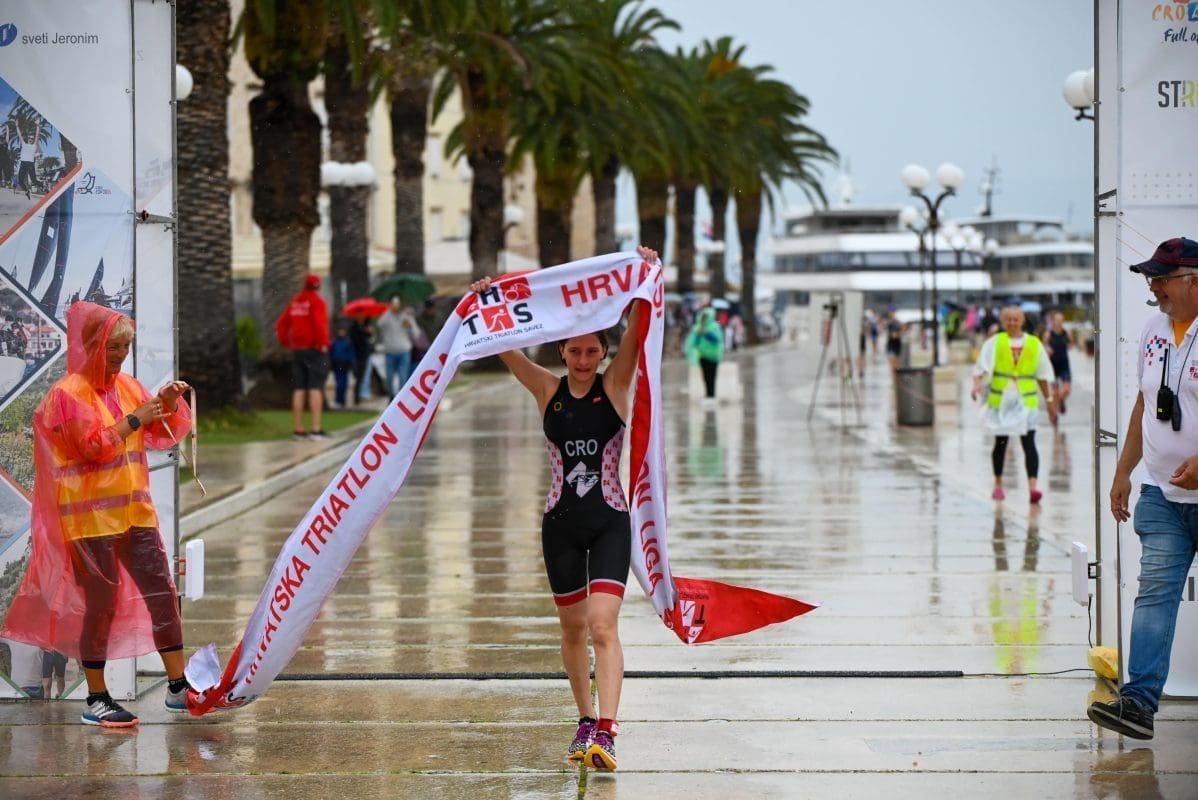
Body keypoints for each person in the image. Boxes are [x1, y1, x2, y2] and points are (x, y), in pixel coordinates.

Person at [467, 245, 654, 772]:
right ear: (562, 351)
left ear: (603, 353)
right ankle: (585, 722)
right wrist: (486, 302)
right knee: (572, 630)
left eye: (592, 351)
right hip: (560, 527)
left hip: (609, 523)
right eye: (574, 351)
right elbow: (504, 347)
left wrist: (642, 279)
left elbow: (636, 336)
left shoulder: (615, 386)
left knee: (602, 626)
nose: (583, 360)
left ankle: (608, 732)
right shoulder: (546, 388)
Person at [0, 301, 194, 727]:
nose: (121, 355)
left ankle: (179, 688)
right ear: (92, 345)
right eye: (113, 347)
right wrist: (135, 419)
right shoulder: (65, 395)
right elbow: (88, 447)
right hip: (88, 522)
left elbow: (161, 436)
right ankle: (96, 697)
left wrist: (166, 404)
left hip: (135, 514)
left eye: (126, 347)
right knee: (101, 603)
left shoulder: (129, 387)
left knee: (162, 592)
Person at [1091, 236, 1198, 741]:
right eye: (1151, 279)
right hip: (1161, 496)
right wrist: (1124, 472)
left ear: (1194, 281)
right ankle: (1138, 703)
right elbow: (1144, 403)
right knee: (1154, 595)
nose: (1153, 288)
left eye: (1162, 278)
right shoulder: (1154, 329)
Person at [970, 306, 1057, 502]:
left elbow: (1042, 375)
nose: (1012, 323)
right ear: (1003, 321)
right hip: (1001, 401)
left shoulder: (1034, 344)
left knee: (1029, 443)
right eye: (1008, 319)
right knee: (1001, 443)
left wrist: (1049, 401)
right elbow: (980, 368)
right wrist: (976, 386)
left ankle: (1033, 487)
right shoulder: (995, 342)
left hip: (1026, 400)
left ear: (1022, 321)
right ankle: (998, 483)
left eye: (1015, 319)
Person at [275, 274, 330, 440]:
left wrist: (286, 342)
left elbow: (281, 324)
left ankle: (298, 429)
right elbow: (319, 324)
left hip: (298, 350)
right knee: (315, 387)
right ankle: (315, 429)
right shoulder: (317, 302)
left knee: (299, 389)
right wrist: (323, 343)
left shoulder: (295, 301)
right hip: (314, 349)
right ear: (318, 287)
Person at [375, 295, 418, 396]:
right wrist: (389, 311)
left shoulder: (407, 316)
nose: (396, 306)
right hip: (390, 352)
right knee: (389, 378)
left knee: (403, 377)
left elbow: (415, 334)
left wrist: (409, 325)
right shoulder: (386, 316)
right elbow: (379, 325)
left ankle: (401, 398)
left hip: (404, 351)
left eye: (397, 303)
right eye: (393, 303)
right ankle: (391, 396)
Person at [685, 306, 724, 401]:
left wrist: (705, 333)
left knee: (712, 376)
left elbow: (717, 339)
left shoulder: (714, 327)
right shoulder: (697, 328)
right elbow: (694, 342)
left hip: (713, 356)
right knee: (706, 376)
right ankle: (708, 394)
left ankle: (711, 394)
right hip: (703, 355)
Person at [1042, 311, 1073, 424]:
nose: (1059, 322)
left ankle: (1061, 401)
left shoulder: (1067, 333)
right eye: (1057, 320)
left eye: (1061, 320)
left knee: (1066, 390)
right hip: (1053, 366)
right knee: (1054, 392)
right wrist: (1047, 349)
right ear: (1053, 321)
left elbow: (1071, 344)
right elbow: (1044, 346)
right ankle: (1054, 415)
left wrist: (1067, 345)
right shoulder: (1048, 334)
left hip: (1064, 364)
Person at [348, 314, 374, 403]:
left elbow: (368, 338)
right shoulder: (354, 328)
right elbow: (357, 340)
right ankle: (357, 397)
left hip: (365, 355)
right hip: (357, 355)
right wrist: (365, 332)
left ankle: (361, 395)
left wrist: (369, 332)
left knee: (364, 376)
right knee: (358, 377)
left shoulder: (366, 326)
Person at [329, 323, 355, 409]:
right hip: (337, 364)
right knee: (338, 383)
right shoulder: (334, 342)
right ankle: (338, 400)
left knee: (343, 383)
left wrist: (351, 363)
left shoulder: (347, 342)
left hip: (344, 365)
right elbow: (331, 353)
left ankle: (342, 400)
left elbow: (351, 354)